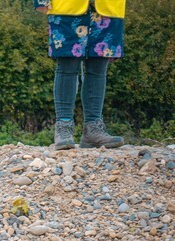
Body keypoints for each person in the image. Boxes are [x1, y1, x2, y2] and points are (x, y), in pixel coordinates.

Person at [34, 0, 126, 150]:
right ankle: (64, 128)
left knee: (99, 66)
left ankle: (93, 129)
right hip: (66, 6)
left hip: (109, 7)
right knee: (67, 63)